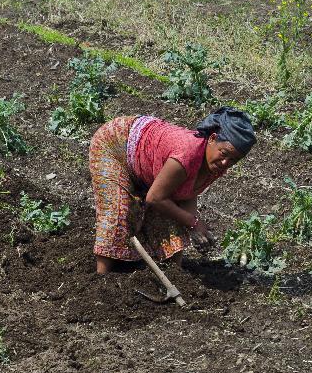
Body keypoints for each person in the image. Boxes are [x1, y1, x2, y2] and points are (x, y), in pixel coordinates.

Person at [89, 106, 256, 274]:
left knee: (173, 215)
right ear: (212, 139)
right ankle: (101, 276)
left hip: (144, 158)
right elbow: (154, 198)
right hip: (114, 144)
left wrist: (192, 225)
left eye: (233, 160)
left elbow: (188, 192)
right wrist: (194, 222)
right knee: (118, 210)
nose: (226, 163)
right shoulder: (186, 155)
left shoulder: (216, 165)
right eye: (224, 153)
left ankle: (175, 274)